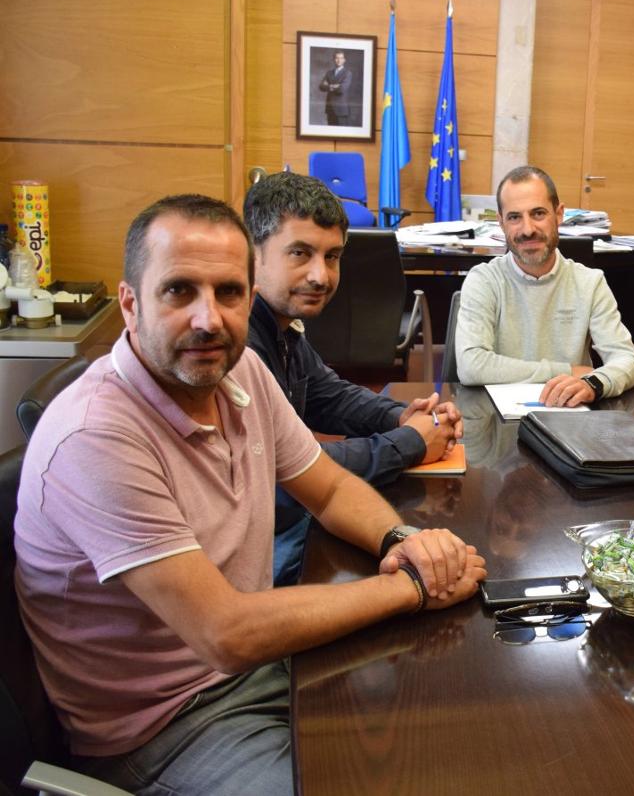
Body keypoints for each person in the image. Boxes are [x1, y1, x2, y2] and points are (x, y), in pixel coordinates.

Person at [14, 195, 487, 795]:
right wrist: (413, 586)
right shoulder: (95, 436)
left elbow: (331, 488)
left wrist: (403, 541)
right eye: (179, 291)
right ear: (130, 304)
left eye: (229, 293)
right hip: (170, 726)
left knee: (442, 733)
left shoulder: (240, 372)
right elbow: (226, 633)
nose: (209, 319)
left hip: (262, 670)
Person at [244, 172, 462, 586]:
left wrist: (401, 416)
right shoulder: (239, 345)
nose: (321, 276)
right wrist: (412, 442)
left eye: (331, 257)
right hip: (262, 552)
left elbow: (327, 394)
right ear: (253, 255)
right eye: (300, 253)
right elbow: (293, 471)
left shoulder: (279, 324)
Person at [454, 165, 634, 407]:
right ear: (501, 223)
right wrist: (565, 370)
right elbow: (472, 366)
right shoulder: (484, 280)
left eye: (538, 213)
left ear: (559, 214)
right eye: (514, 217)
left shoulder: (589, 282)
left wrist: (593, 383)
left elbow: (629, 360)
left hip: (569, 418)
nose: (527, 229)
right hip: (495, 423)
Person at [319, 51, 352, 126]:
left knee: (341, 135)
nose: (339, 60)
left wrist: (328, 85)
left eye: (341, 58)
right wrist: (333, 86)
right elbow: (321, 86)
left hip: (341, 110)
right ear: (334, 59)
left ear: (344, 60)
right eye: (337, 58)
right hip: (330, 109)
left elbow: (342, 89)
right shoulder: (329, 73)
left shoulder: (347, 73)